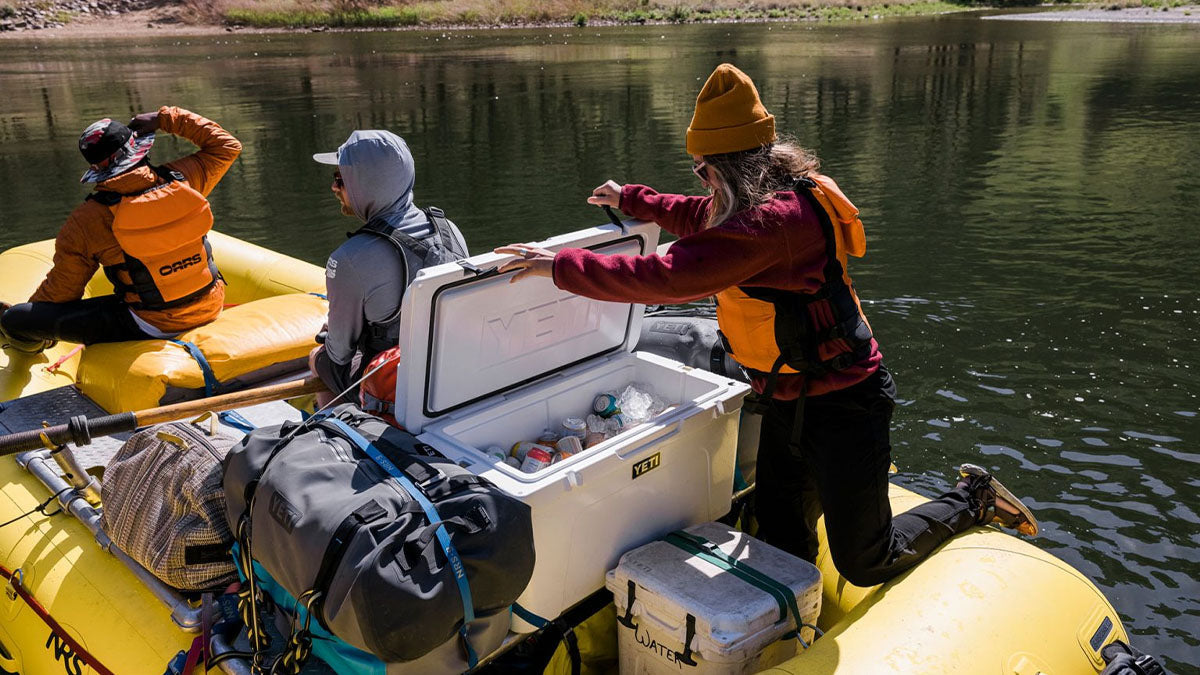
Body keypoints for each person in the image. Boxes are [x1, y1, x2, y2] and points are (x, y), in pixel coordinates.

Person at [496, 63, 1037, 587]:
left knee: (866, 561)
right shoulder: (759, 200)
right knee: (779, 536)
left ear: (728, 166)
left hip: (847, 401)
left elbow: (670, 277)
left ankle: (974, 498)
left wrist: (559, 265)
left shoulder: (775, 223)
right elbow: (698, 216)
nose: (701, 180)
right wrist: (634, 198)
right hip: (786, 399)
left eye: (702, 168)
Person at [0, 107, 241, 353]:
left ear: (95, 167)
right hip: (211, 304)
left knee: (15, 318)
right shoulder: (183, 180)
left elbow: (62, 291)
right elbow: (227, 146)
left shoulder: (88, 220)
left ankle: (33, 343)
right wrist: (164, 118)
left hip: (149, 325)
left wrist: (35, 317)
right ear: (138, 148)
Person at [307, 130, 468, 407]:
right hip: (449, 369)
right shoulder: (449, 229)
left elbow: (339, 354)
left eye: (340, 179)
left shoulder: (348, 258)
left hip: (392, 387)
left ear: (363, 184)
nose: (334, 188)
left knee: (317, 357)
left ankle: (335, 430)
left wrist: (330, 335)